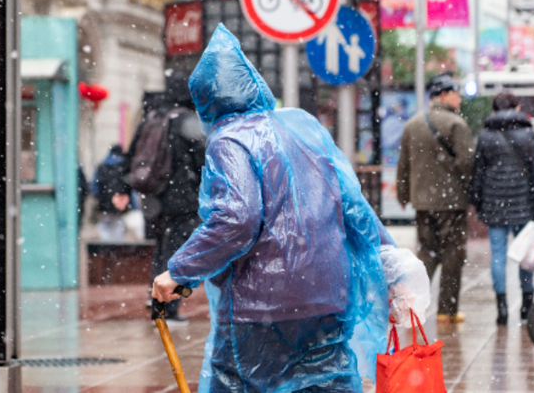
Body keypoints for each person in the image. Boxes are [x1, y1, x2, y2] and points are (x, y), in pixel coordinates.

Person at [152, 24, 430, 392]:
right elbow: (353, 204)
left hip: (261, 305)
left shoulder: (229, 139)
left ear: (208, 102)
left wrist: (179, 272)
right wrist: (390, 261)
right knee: (327, 382)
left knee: (236, 382)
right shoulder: (303, 127)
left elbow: (236, 219)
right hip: (328, 294)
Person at [125, 74, 206, 324]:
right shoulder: (187, 122)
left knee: (161, 250)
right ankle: (166, 310)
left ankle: (157, 305)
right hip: (182, 200)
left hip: (154, 198)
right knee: (176, 255)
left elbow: (130, 158)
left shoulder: (152, 119)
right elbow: (203, 162)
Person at [396, 72, 475, 323]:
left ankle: (413, 306)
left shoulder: (413, 124)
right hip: (451, 202)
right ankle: (446, 310)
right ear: (443, 95)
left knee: (426, 253)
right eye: (456, 93)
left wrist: (403, 193)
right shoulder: (456, 125)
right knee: (452, 254)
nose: (459, 98)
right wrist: (469, 189)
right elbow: (466, 163)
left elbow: (403, 165)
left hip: (422, 201)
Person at [470, 91, 534, 325]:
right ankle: (526, 307)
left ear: (494, 110)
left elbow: (478, 172)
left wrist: (478, 200)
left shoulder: (485, 136)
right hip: (523, 203)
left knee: (498, 255)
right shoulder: (528, 134)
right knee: (525, 255)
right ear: (516, 107)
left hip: (495, 203)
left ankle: (502, 308)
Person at [91, 145, 131, 242]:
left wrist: (98, 197)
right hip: (120, 204)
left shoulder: (102, 166)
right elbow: (129, 186)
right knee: (118, 226)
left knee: (105, 225)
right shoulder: (124, 167)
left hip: (104, 203)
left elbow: (94, 186)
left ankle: (106, 249)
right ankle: (116, 250)